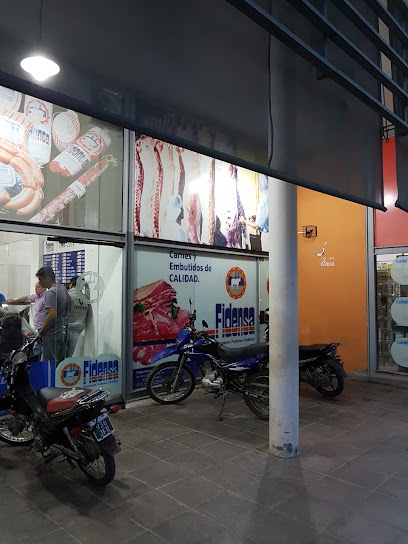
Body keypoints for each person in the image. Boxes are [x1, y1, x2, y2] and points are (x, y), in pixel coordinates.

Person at [36, 267, 71, 366]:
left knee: (50, 365)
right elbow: (71, 303)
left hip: (51, 334)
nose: (40, 283)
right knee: (60, 365)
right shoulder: (62, 288)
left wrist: (41, 333)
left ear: (48, 278)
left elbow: (52, 315)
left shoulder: (51, 292)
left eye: (41, 280)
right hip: (62, 333)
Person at [6, 282, 47, 358]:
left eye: (38, 287)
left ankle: (37, 361)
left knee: (38, 347)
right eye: (35, 287)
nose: (36, 289)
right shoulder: (36, 296)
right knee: (37, 347)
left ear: (44, 288)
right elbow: (27, 297)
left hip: (44, 327)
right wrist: (14, 300)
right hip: (38, 327)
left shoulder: (46, 297)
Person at [240, 174, 269, 251]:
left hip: (268, 237)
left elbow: (257, 226)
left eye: (259, 182)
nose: (258, 184)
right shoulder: (272, 197)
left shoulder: (265, 200)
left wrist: (245, 222)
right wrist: (258, 217)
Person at [66, 276, 89, 358]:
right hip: (78, 331)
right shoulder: (86, 298)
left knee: (62, 356)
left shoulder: (67, 295)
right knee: (71, 356)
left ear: (72, 284)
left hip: (66, 329)